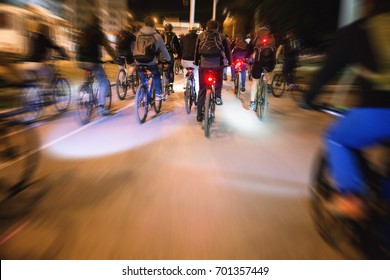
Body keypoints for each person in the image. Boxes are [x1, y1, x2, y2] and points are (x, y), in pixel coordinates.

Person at [300, 0, 390, 219]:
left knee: (336, 139)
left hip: (378, 110)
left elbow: (328, 70)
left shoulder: (357, 30)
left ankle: (351, 196)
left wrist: (310, 97)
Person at [76, 15, 116, 116]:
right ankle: (101, 108)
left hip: (80, 60)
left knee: (88, 71)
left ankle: (86, 87)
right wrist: (115, 58)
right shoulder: (99, 33)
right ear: (98, 23)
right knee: (103, 82)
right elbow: (108, 47)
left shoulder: (83, 31)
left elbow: (77, 44)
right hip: (93, 61)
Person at [194, 19, 232, 122]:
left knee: (202, 89)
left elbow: (197, 51)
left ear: (207, 27)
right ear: (217, 28)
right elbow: (228, 51)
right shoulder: (222, 36)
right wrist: (230, 62)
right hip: (217, 65)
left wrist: (197, 63)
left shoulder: (201, 36)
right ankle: (218, 96)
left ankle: (199, 115)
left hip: (204, 65)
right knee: (218, 80)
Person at [133, 16, 171, 101]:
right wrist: (168, 60)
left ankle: (141, 93)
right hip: (150, 61)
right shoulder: (157, 36)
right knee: (156, 75)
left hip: (138, 60)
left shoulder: (138, 34)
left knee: (143, 79)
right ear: (153, 25)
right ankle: (157, 94)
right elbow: (163, 50)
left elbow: (135, 47)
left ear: (145, 24)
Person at [245, 25, 276, 111]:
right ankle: (269, 85)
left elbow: (249, 49)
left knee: (255, 82)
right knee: (270, 71)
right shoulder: (272, 38)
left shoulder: (255, 38)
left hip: (258, 63)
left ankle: (252, 103)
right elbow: (275, 49)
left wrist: (246, 57)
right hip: (270, 62)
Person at [180, 27, 199, 97]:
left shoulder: (183, 38)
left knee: (186, 71)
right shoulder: (199, 38)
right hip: (195, 61)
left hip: (185, 60)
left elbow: (181, 49)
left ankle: (186, 85)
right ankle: (197, 95)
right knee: (197, 77)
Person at [162, 23, 182, 93]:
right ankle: (171, 86)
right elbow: (177, 46)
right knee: (170, 71)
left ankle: (161, 84)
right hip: (170, 54)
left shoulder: (161, 34)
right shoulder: (174, 35)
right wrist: (180, 56)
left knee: (161, 69)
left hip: (162, 54)